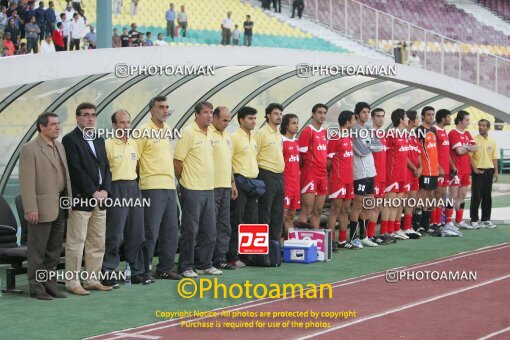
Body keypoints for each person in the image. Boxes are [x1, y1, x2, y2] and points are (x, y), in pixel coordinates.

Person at [19, 112, 72, 300]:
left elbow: (65, 177)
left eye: (58, 124)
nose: (58, 127)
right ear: (42, 127)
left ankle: (50, 285)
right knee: (37, 251)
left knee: (54, 250)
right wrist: (31, 208)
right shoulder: (30, 149)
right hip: (40, 207)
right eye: (53, 124)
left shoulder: (59, 146)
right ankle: (36, 287)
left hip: (60, 205)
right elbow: (26, 183)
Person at [62, 102, 113, 295]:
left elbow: (106, 167)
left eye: (93, 115)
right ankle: (72, 282)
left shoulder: (99, 139)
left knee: (97, 242)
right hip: (82, 198)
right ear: (77, 118)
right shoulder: (70, 140)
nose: (90, 118)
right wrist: (93, 192)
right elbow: (76, 170)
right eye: (85, 115)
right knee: (76, 242)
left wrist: (106, 191)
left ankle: (92, 279)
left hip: (101, 198)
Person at [101, 110, 150, 288]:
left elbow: (136, 166)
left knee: (137, 233)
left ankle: (137, 272)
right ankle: (108, 272)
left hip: (133, 187)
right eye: (122, 123)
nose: (126, 126)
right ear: (114, 125)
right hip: (116, 188)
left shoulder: (133, 143)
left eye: (128, 122)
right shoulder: (107, 144)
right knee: (114, 233)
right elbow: (104, 170)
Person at [175, 102, 222, 278]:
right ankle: (186, 266)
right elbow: (177, 162)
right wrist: (185, 182)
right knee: (190, 230)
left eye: (211, 112)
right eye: (205, 113)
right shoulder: (188, 132)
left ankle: (204, 265)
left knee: (210, 230)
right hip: (192, 188)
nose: (209, 116)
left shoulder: (211, 132)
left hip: (209, 188)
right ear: (196, 114)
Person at [136, 96, 181, 281]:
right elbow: (136, 160)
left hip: (169, 186)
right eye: (161, 107)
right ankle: (144, 269)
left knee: (171, 230)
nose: (165, 110)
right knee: (150, 231)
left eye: (167, 107)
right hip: (151, 187)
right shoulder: (143, 131)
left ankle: (165, 268)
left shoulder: (168, 130)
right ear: (151, 111)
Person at [228, 106, 259, 268]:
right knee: (237, 220)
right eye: (250, 118)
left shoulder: (253, 138)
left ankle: (247, 256)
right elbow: (229, 162)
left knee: (251, 221)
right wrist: (233, 182)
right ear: (241, 120)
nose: (253, 121)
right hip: (240, 181)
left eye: (254, 118)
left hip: (253, 182)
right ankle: (232, 256)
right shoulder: (233, 138)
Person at [350, 102, 382, 248]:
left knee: (368, 205)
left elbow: (379, 146)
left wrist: (369, 147)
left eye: (368, 112)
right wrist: (371, 147)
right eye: (364, 112)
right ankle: (352, 237)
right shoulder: (353, 130)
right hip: (359, 172)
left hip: (371, 171)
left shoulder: (369, 128)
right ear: (357, 114)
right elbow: (360, 151)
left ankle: (364, 236)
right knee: (357, 206)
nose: (366, 115)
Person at [210, 106, 238, 271]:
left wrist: (232, 182)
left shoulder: (227, 136)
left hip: (225, 186)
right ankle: (206, 259)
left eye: (229, 120)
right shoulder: (208, 134)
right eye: (224, 120)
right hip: (210, 187)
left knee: (224, 225)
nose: (227, 124)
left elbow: (229, 161)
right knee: (210, 226)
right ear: (214, 118)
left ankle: (220, 258)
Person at [256, 103, 285, 243]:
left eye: (280, 114)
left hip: (279, 175)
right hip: (266, 174)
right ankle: (263, 247)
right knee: (265, 212)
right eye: (275, 113)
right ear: (268, 116)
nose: (279, 116)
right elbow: (254, 155)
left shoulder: (279, 134)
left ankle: (274, 244)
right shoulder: (261, 133)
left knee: (278, 213)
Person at [327, 110, 356, 250]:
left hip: (348, 179)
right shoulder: (335, 137)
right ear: (347, 122)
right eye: (353, 120)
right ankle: (330, 241)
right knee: (335, 210)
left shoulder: (349, 137)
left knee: (345, 209)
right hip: (338, 179)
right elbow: (328, 161)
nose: (355, 123)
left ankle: (343, 240)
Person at [297, 104, 328, 229]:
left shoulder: (325, 132)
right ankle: (300, 241)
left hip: (322, 174)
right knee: (307, 209)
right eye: (320, 112)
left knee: (319, 210)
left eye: (324, 113)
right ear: (313, 114)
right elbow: (301, 156)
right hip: (310, 174)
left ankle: (315, 239)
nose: (322, 115)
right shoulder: (307, 131)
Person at [368, 108, 394, 245]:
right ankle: (368, 235)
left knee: (378, 206)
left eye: (383, 116)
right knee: (373, 207)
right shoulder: (369, 134)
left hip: (383, 176)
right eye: (378, 116)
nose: (381, 119)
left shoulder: (383, 135)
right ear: (372, 118)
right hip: (374, 176)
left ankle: (375, 234)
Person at [448, 110, 478, 229]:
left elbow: (476, 147)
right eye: (466, 120)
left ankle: (459, 220)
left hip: (466, 170)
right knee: (452, 196)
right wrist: (467, 147)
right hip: (456, 170)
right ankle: (448, 222)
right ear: (460, 121)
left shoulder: (467, 133)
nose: (468, 122)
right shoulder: (453, 133)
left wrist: (464, 147)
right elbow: (459, 152)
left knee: (462, 195)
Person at [384, 109, 410, 240]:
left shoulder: (405, 134)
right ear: (400, 119)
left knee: (397, 204)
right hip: (392, 174)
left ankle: (393, 229)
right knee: (390, 203)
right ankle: (385, 231)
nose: (408, 119)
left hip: (403, 175)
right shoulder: (390, 134)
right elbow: (384, 155)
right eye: (406, 117)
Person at [470, 119, 499, 228]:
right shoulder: (473, 140)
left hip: (489, 171)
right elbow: (469, 157)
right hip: (478, 171)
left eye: (483, 125)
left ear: (488, 128)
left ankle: (486, 219)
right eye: (479, 125)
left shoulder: (492, 141)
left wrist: (496, 172)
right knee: (476, 196)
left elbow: (494, 158)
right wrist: (475, 169)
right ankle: (474, 220)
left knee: (487, 196)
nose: (481, 127)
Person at [415, 106, 440, 233]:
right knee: (421, 195)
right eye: (428, 114)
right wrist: (419, 166)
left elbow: (435, 150)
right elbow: (417, 151)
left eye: (432, 114)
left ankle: (426, 224)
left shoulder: (434, 130)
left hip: (434, 169)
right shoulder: (419, 131)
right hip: (425, 169)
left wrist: (439, 166)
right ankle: (416, 224)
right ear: (423, 116)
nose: (431, 116)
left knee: (430, 196)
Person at [402, 110, 422, 238]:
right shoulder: (403, 135)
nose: (419, 120)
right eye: (417, 118)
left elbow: (418, 153)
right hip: (406, 172)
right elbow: (404, 155)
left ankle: (408, 227)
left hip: (415, 173)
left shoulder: (415, 135)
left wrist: (420, 167)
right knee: (402, 201)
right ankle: (399, 227)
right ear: (411, 120)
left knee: (411, 200)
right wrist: (414, 168)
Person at [281, 113, 300, 237]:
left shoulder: (297, 142)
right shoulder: (281, 140)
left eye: (297, 123)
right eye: (294, 123)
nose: (297, 126)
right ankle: (276, 247)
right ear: (286, 125)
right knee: (281, 216)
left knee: (291, 216)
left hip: (295, 185)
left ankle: (290, 245)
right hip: (285, 184)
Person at [434, 109, 452, 227]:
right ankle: (435, 222)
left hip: (446, 170)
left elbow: (446, 152)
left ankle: (440, 221)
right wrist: (439, 167)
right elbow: (433, 152)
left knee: (442, 195)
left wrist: (453, 166)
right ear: (443, 118)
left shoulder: (445, 131)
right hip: (438, 170)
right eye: (449, 117)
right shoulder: (434, 131)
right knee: (437, 196)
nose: (450, 119)